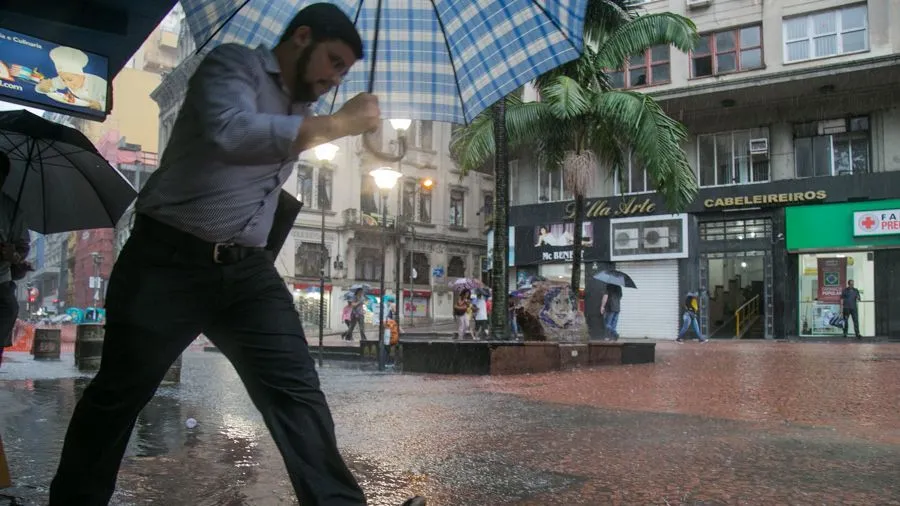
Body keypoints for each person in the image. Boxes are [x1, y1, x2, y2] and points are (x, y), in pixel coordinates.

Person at [48, 5, 425, 506]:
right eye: (333, 62)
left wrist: (359, 136)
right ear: (302, 38)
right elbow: (231, 132)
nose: (334, 78)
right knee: (119, 395)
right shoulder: (233, 66)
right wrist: (336, 124)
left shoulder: (303, 109)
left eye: (344, 72)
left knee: (297, 393)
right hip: (167, 258)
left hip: (247, 272)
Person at [0, 152, 30, 367]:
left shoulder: (11, 208)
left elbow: (22, 246)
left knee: (8, 308)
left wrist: (15, 256)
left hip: (1, 282)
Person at [36, 46, 109, 111]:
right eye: (63, 80)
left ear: (82, 76)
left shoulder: (98, 84)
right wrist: (44, 86)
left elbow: (110, 101)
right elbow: (47, 85)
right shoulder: (64, 80)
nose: (67, 84)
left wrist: (100, 105)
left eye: (70, 79)